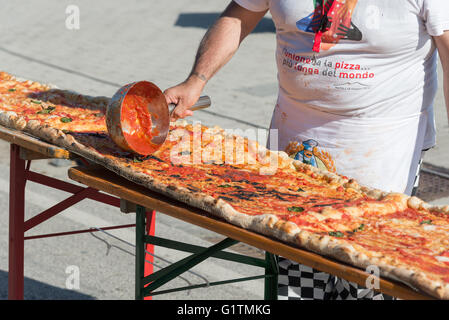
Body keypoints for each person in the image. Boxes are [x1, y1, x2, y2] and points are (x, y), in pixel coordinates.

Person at [164, 0, 449, 300]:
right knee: (296, 283)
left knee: (368, 285)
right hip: (293, 161)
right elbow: (239, 16)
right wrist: (196, 80)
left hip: (383, 160)